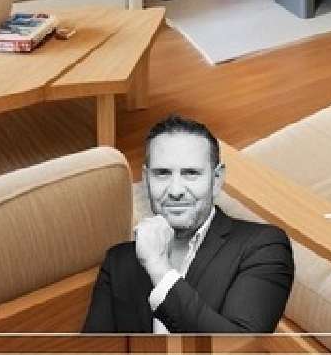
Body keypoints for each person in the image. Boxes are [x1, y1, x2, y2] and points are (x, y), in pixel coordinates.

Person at [82, 115, 294, 334]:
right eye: (162, 174)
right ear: (146, 179)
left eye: (191, 173)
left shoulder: (263, 247)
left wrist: (159, 269)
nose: (175, 191)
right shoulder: (118, 261)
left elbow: (238, 345)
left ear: (217, 179)